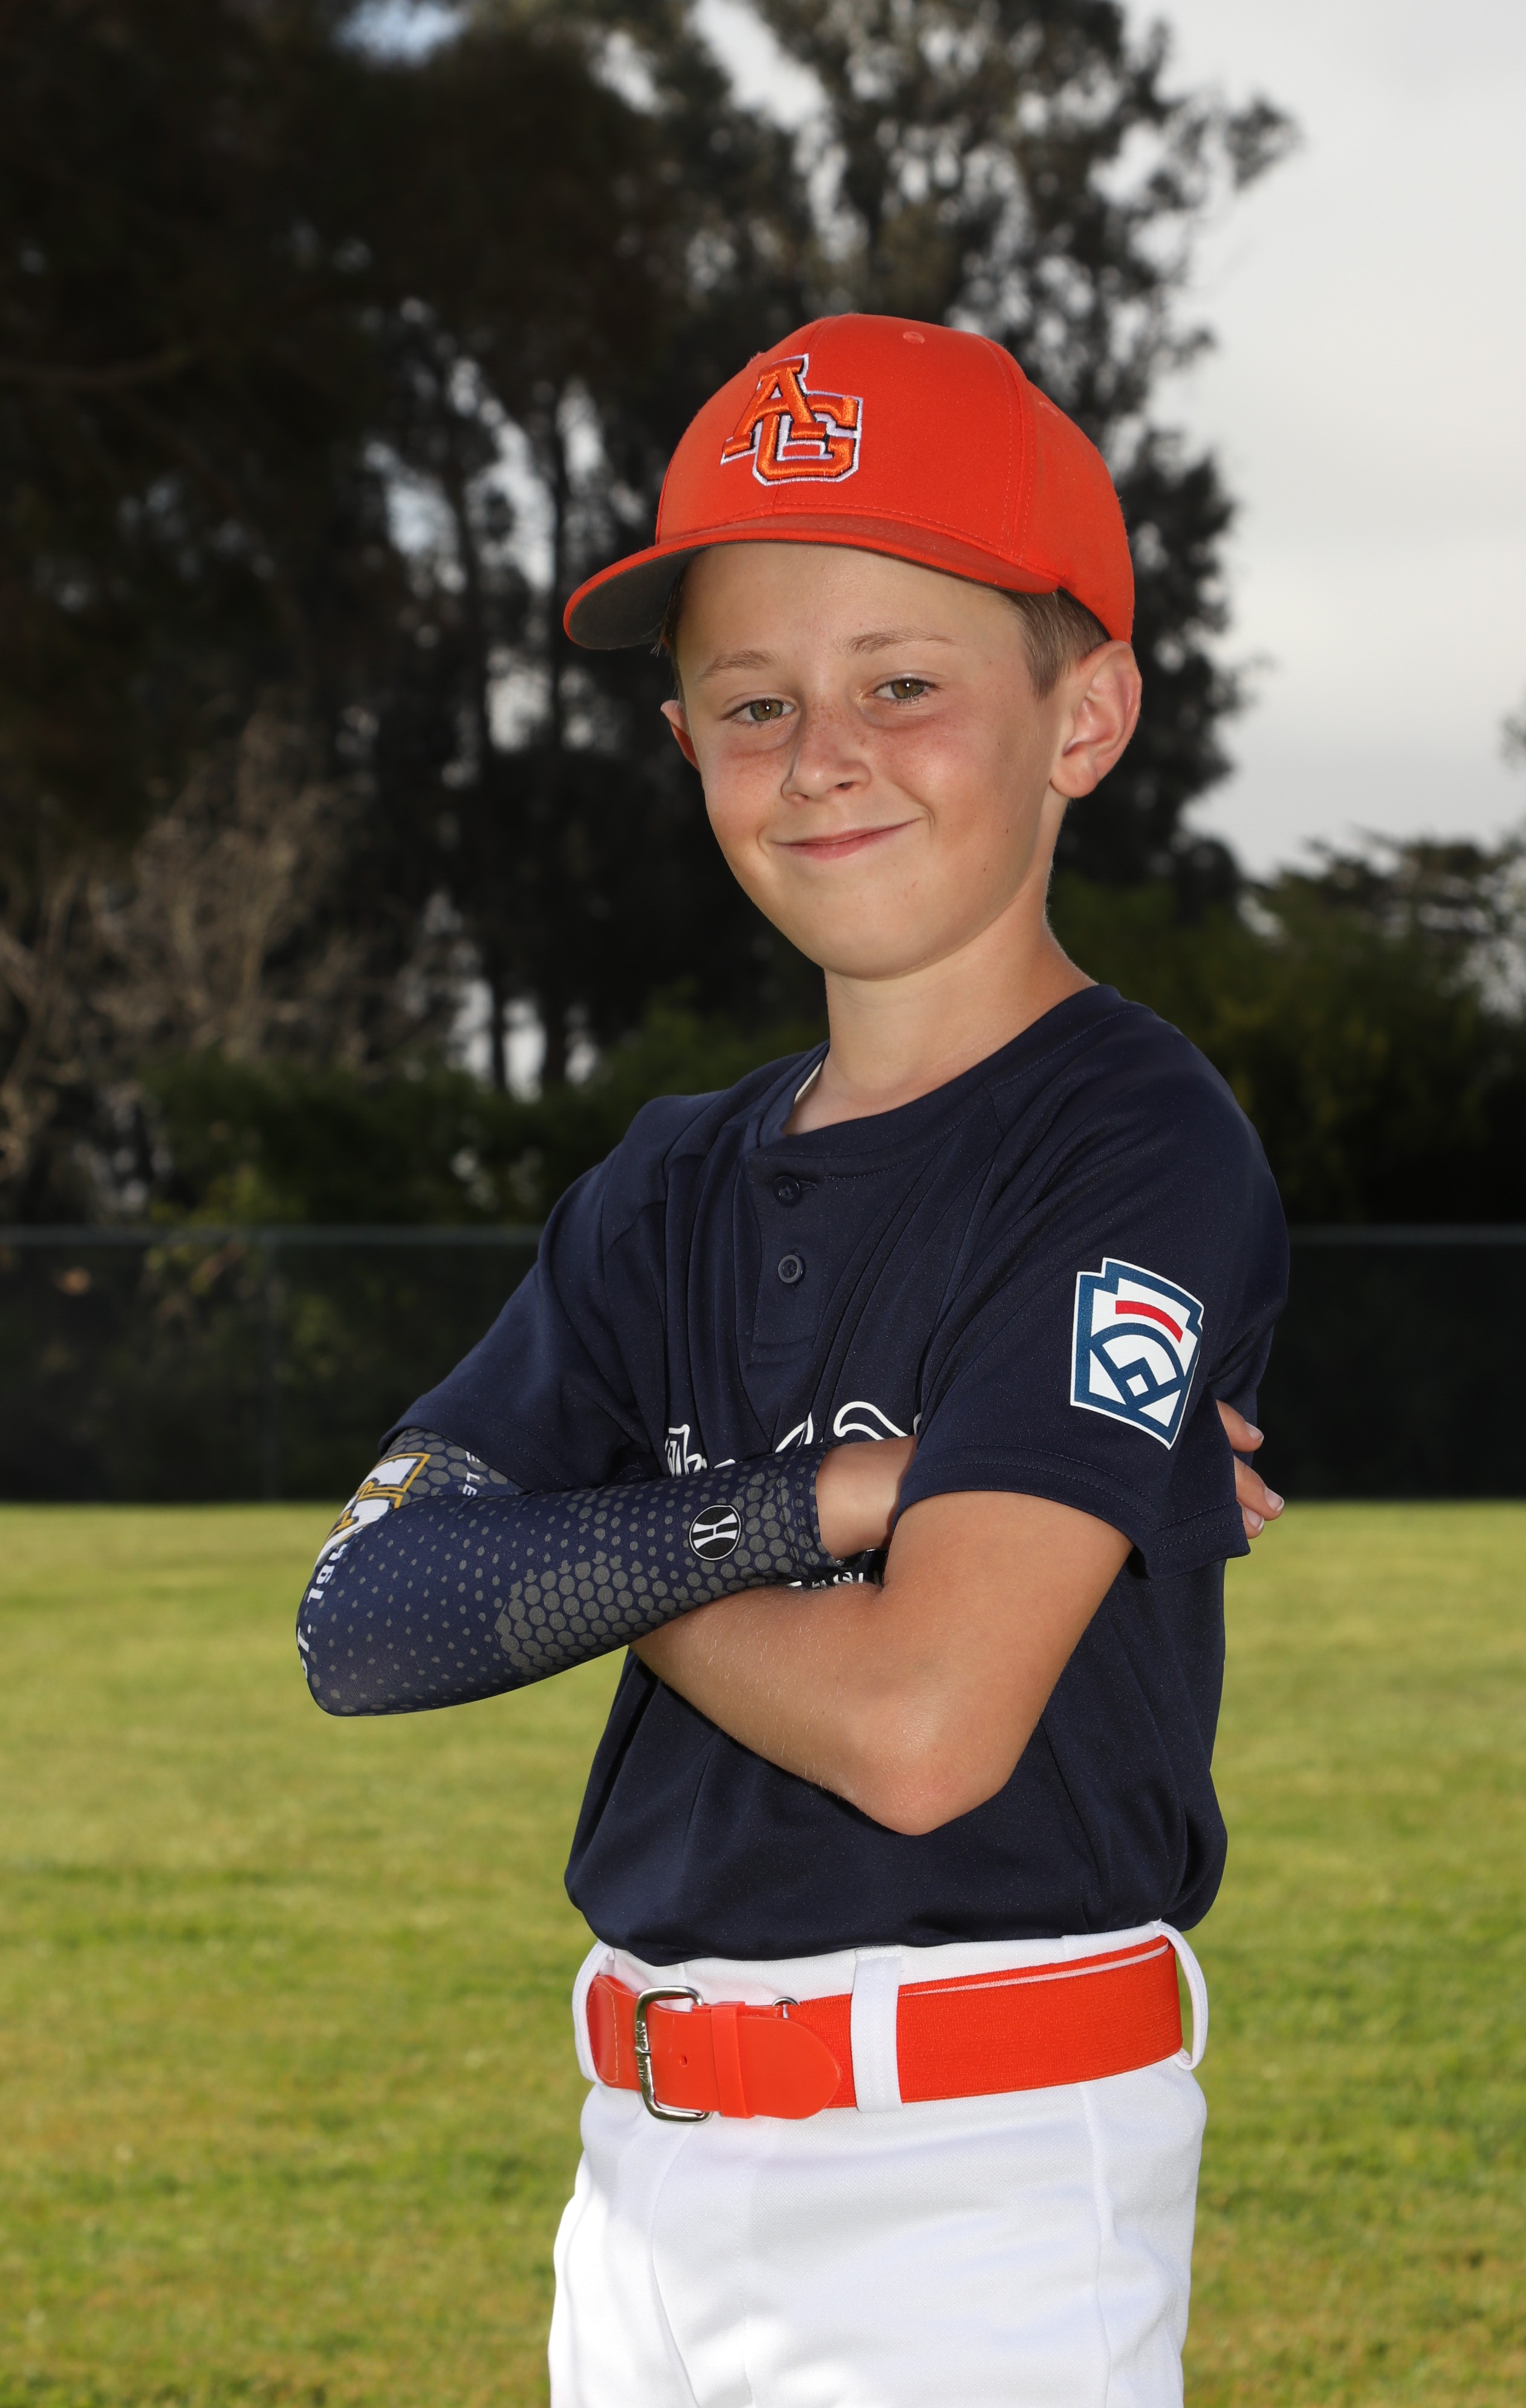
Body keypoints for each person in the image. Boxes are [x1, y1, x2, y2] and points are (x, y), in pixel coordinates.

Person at [297, 313, 1288, 2408]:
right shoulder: (662, 1184)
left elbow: (921, 1724)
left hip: (974, 2181)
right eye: (755, 703)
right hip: (640, 2182)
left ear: (1086, 714)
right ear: (687, 745)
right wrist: (837, 1499)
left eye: (903, 684)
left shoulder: (1130, 1138)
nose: (823, 753)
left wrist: (587, 1555)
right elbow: (361, 1620)